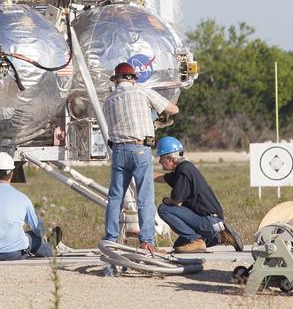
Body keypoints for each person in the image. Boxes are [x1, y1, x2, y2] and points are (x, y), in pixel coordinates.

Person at [101, 62, 178, 255]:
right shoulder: (143, 92)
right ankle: (147, 241)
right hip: (140, 148)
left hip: (119, 150)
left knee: (115, 197)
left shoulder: (109, 100)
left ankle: (110, 239)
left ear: (116, 80)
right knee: (144, 197)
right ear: (133, 78)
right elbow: (173, 110)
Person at [153, 136, 243, 253]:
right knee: (179, 248)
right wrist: (139, 172)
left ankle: (196, 240)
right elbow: (160, 178)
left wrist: (167, 200)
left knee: (164, 209)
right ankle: (221, 237)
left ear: (170, 159)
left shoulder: (183, 170)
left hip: (208, 221)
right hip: (213, 221)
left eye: (161, 158)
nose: (159, 161)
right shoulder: (184, 169)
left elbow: (177, 201)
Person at [0, 152, 56, 260]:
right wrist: (42, 236)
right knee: (34, 238)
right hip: (16, 253)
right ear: (12, 174)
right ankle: (51, 248)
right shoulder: (23, 198)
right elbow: (37, 229)